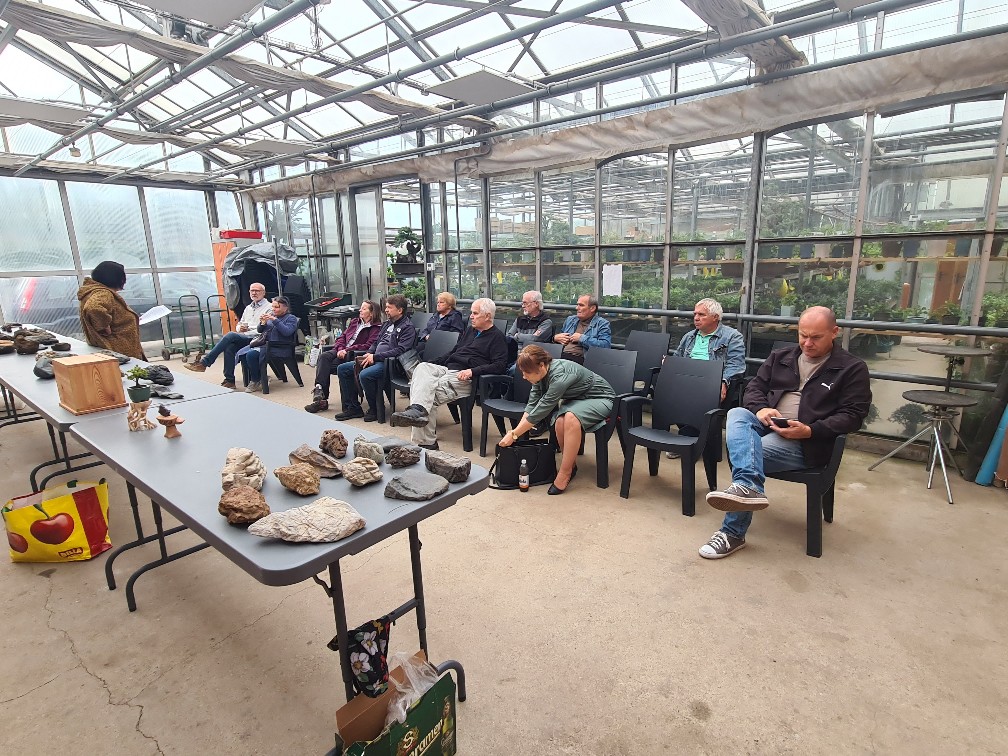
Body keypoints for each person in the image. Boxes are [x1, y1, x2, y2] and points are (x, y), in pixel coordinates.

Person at [699, 306, 871, 559]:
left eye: (816, 337)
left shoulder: (851, 368)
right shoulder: (782, 356)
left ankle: (732, 531)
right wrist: (761, 409)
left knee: (748, 453)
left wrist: (811, 430)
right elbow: (754, 387)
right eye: (803, 335)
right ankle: (747, 488)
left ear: (834, 332)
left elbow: (853, 415)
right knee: (737, 414)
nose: (807, 343)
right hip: (769, 424)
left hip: (808, 443)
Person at [390, 298, 507, 450]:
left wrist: (472, 371)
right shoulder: (470, 331)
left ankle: (426, 443)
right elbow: (454, 352)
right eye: (471, 313)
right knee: (422, 368)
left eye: (475, 313)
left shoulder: (497, 337)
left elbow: (500, 366)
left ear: (488, 316)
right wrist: (433, 363)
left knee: (426, 393)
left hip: (466, 377)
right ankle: (418, 411)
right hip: (448, 369)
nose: (471, 316)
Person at [498, 344, 615, 495]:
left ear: (541, 365)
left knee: (571, 418)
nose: (524, 377)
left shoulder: (560, 375)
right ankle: (570, 465)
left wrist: (514, 435)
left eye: (527, 372)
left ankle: (565, 473)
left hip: (601, 398)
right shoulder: (540, 375)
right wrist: (514, 432)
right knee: (560, 421)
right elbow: (531, 407)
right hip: (577, 400)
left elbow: (541, 411)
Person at [665, 297, 746, 459]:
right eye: (695, 314)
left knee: (700, 395)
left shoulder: (732, 336)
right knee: (662, 387)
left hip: (711, 383)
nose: (696, 318)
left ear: (715, 317)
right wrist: (668, 363)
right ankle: (691, 435)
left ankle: (687, 438)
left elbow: (736, 365)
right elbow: (677, 358)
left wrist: (723, 381)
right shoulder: (689, 336)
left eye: (701, 315)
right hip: (687, 381)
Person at [334, 295, 415, 422]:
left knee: (365, 375)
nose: (386, 310)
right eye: (386, 307)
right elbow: (376, 342)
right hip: (375, 358)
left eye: (389, 307)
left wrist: (376, 356)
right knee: (342, 369)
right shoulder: (387, 324)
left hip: (390, 364)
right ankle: (353, 408)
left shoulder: (407, 327)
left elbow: (401, 350)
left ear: (400, 310)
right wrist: (369, 353)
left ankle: (375, 409)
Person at [185, 283, 272, 388]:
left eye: (257, 291)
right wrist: (240, 328)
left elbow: (266, 326)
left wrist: (248, 329)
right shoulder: (248, 308)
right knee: (229, 347)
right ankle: (229, 380)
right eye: (252, 291)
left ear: (263, 293)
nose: (254, 293)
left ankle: (204, 363)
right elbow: (240, 323)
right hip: (246, 336)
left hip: (258, 337)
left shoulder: (269, 307)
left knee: (230, 335)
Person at [304, 300, 382, 413]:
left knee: (326, 367)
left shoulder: (376, 328)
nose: (360, 310)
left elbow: (368, 345)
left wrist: (347, 350)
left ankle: (322, 401)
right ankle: (319, 391)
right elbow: (342, 337)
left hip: (352, 355)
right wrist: (341, 348)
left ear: (372, 313)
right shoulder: (355, 322)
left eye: (364, 309)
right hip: (340, 351)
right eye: (361, 308)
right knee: (323, 357)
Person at [77, 261, 144, 360]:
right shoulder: (104, 293)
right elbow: (93, 308)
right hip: (118, 351)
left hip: (109, 351)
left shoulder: (92, 291)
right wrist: (103, 326)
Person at [238, 296, 300, 394]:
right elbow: (260, 330)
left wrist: (274, 320)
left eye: (277, 307)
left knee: (251, 355)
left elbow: (287, 332)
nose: (273, 309)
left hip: (281, 347)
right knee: (243, 354)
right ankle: (259, 378)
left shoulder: (291, 318)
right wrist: (262, 323)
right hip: (266, 345)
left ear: (285, 308)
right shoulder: (272, 315)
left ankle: (256, 380)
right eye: (273, 307)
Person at [553, 294, 611, 364]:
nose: (577, 308)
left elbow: (605, 346)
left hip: (581, 360)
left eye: (581, 305)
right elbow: (560, 338)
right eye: (577, 305)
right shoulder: (570, 320)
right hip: (561, 357)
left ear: (592, 308)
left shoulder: (602, 323)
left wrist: (581, 338)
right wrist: (555, 338)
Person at [506, 290, 554, 363]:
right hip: (514, 353)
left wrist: (517, 336)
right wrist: (529, 337)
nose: (522, 306)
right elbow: (509, 336)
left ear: (536, 304)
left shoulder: (545, 322)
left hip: (532, 358)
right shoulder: (520, 319)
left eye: (525, 303)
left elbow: (535, 339)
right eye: (522, 303)